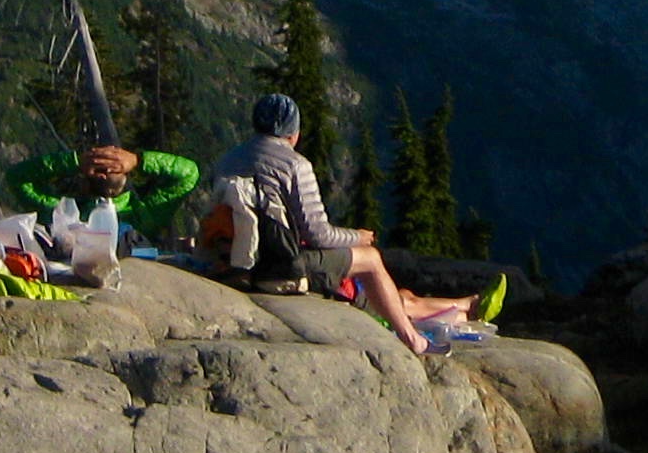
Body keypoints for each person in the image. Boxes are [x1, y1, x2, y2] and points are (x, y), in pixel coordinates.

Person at [206, 92, 502, 356]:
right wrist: (358, 237)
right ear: (293, 133)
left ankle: (463, 307)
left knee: (397, 294)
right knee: (371, 260)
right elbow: (318, 233)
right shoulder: (295, 164)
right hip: (279, 265)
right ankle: (414, 340)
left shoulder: (227, 160)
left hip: (233, 263)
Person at [6, 139, 201, 235]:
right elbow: (189, 174)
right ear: (125, 175)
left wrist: (74, 162)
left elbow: (17, 177)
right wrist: (138, 160)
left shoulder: (60, 214)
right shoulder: (144, 217)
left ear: (84, 180)